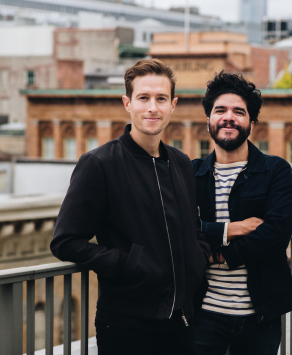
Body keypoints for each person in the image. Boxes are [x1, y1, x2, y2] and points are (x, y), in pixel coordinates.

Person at [50, 59, 210, 355]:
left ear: (173, 105)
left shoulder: (182, 163)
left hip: (182, 322)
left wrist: (198, 258)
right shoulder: (99, 164)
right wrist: (128, 263)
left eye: (161, 99)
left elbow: (193, 228)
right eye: (143, 98)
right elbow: (65, 242)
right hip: (127, 324)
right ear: (127, 103)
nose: (153, 107)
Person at [192, 71, 292, 355]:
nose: (229, 117)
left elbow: (276, 233)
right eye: (220, 110)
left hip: (260, 313)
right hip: (203, 312)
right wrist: (231, 229)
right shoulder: (191, 173)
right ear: (209, 120)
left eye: (239, 111)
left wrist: (221, 254)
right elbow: (179, 230)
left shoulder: (275, 170)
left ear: (252, 122)